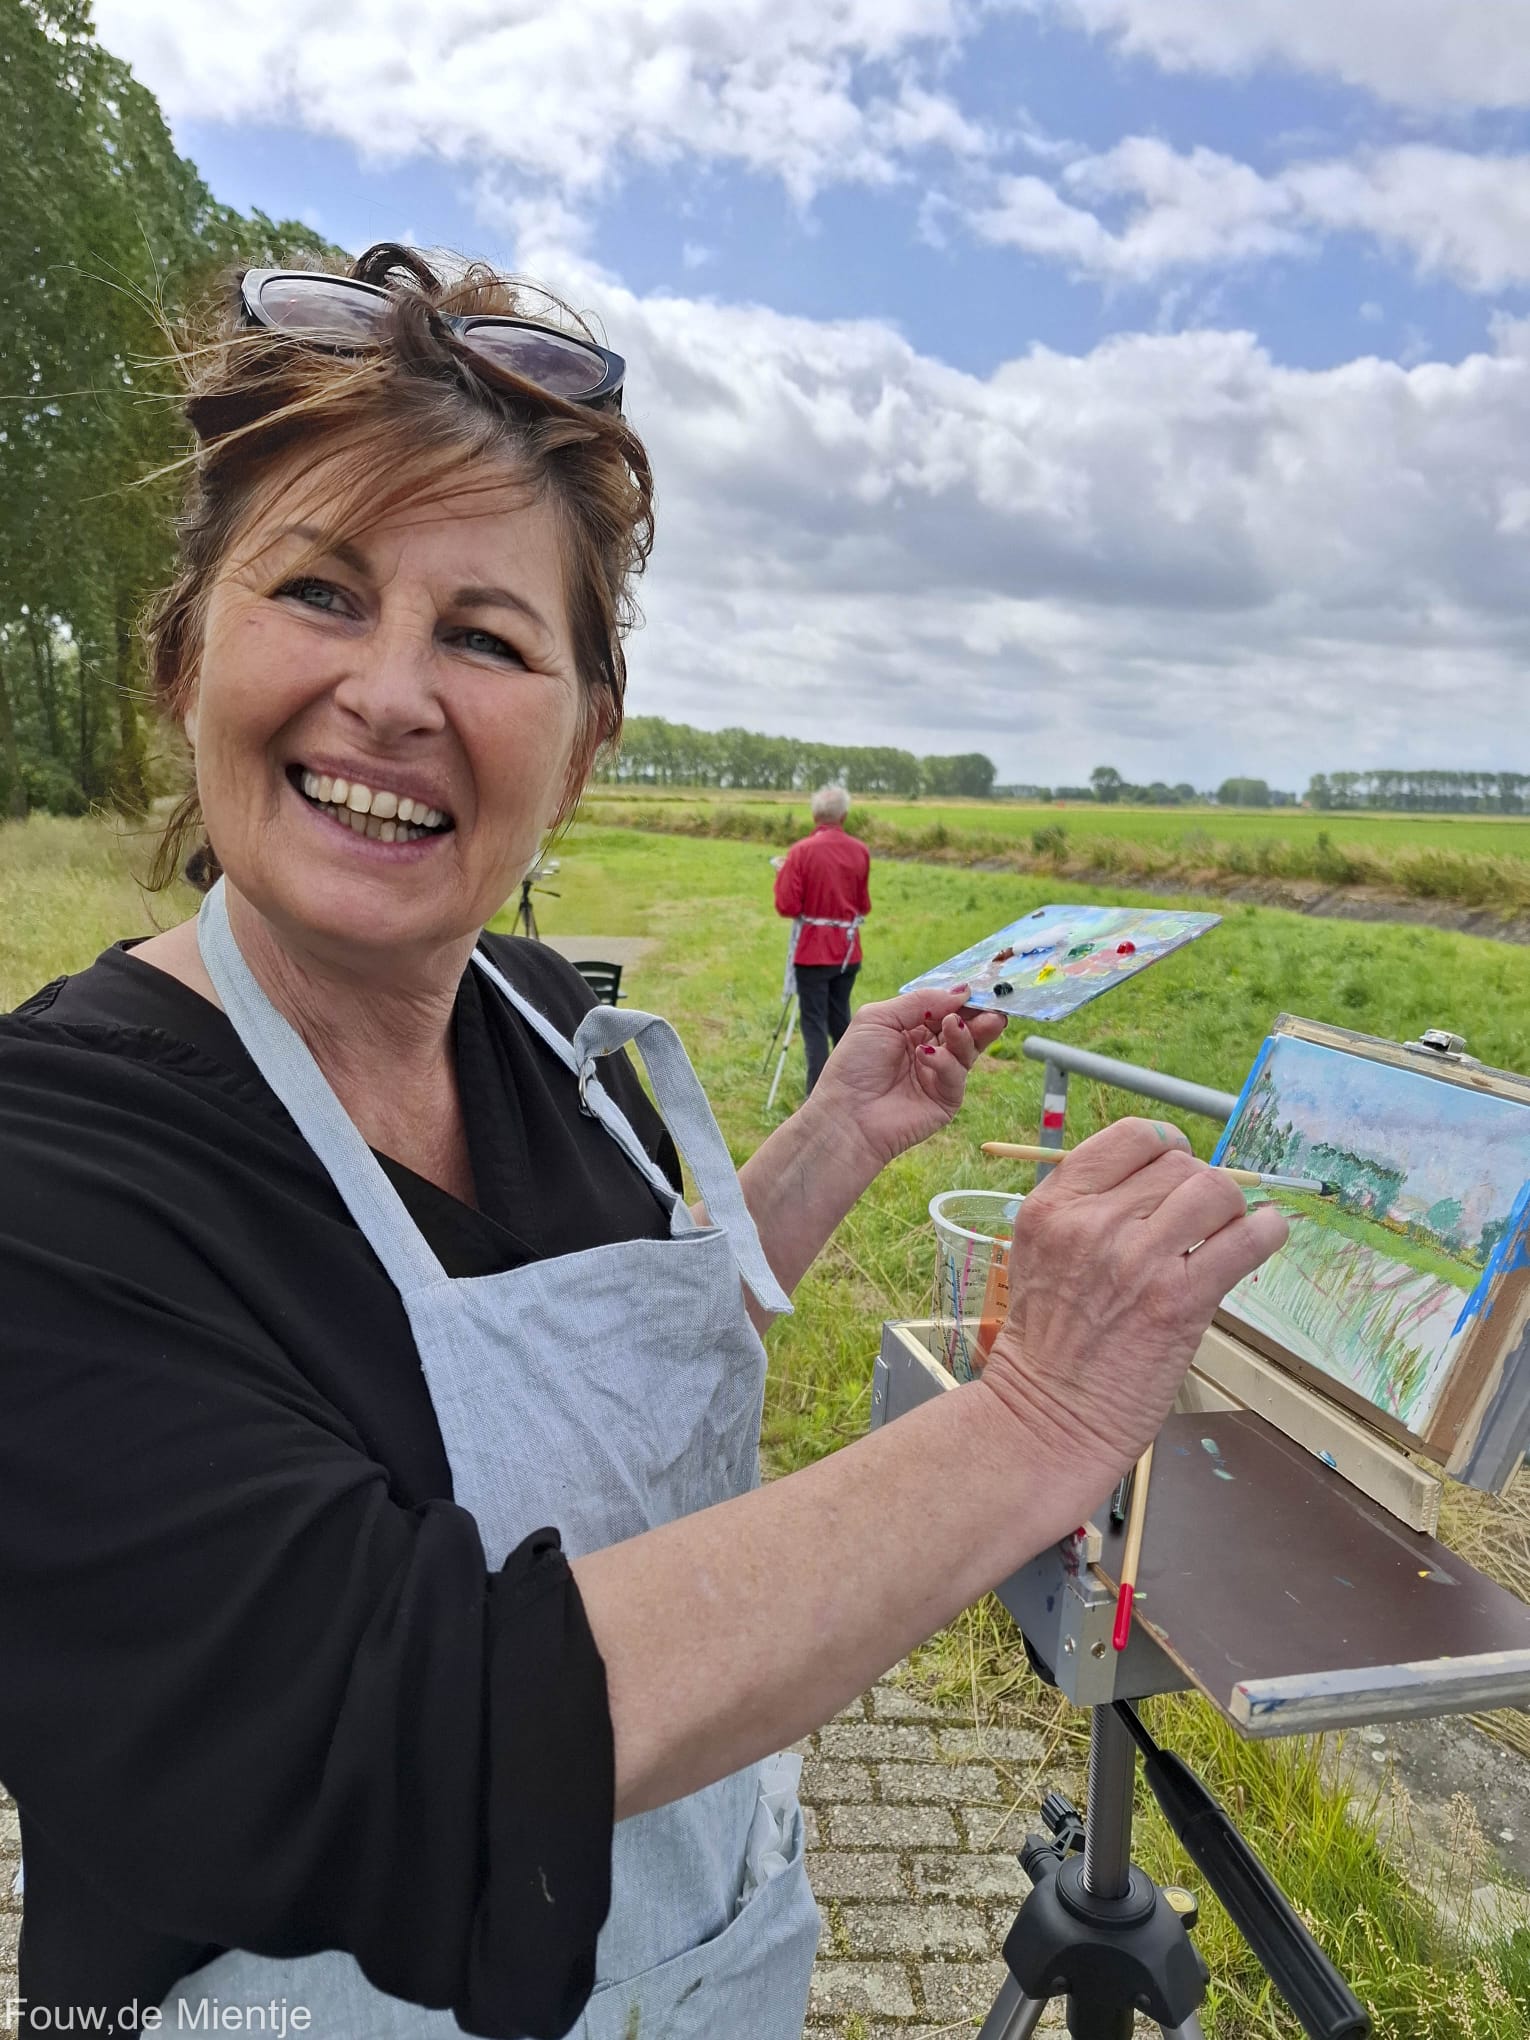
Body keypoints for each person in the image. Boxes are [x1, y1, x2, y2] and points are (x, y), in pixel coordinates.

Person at [0, 245, 1287, 2040]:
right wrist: (1041, 1423)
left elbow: (630, 1403)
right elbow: (418, 1728)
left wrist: (835, 1138)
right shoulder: (62, 1168)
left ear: (585, 742)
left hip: (703, 1956)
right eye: (317, 589)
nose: (390, 692)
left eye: (484, 634)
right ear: (182, 654)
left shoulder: (539, 1023)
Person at [773, 784, 871, 1094]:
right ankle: (851, 1085)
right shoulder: (860, 851)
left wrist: (783, 873)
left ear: (815, 815)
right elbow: (863, 905)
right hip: (848, 951)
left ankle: (817, 1094)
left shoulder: (801, 852)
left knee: (813, 1024)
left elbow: (787, 905)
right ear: (844, 815)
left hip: (814, 952)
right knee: (840, 1018)